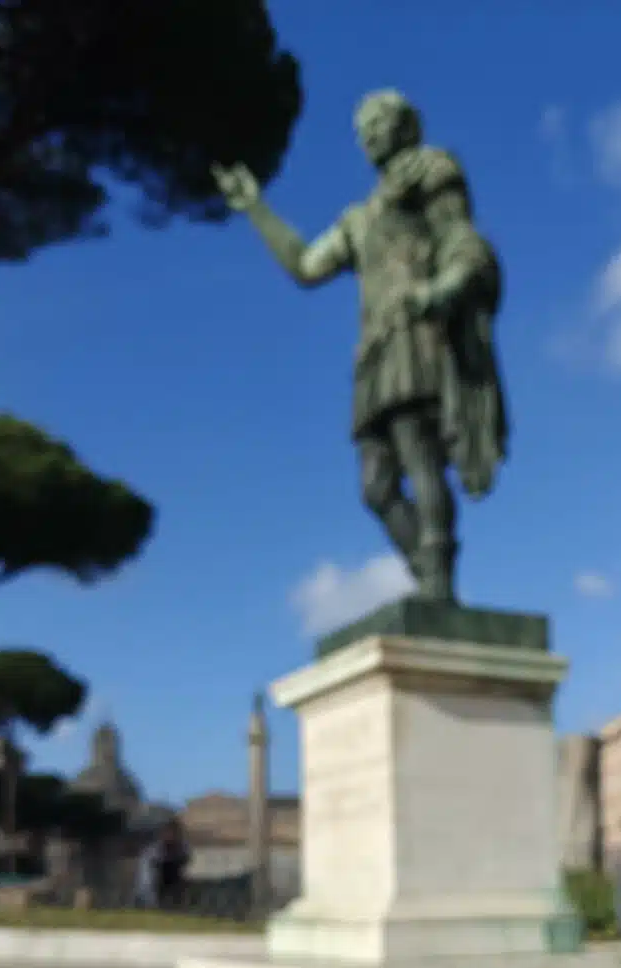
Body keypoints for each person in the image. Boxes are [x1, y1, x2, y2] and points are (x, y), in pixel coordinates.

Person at [212, 89, 508, 604]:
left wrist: (442, 289)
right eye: (361, 128)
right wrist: (255, 206)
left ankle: (438, 580)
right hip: (374, 351)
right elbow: (305, 266)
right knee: (375, 487)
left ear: (406, 126)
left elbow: (462, 239)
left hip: (416, 331)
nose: (368, 133)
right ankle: (426, 571)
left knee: (418, 454)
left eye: (378, 121)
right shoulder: (358, 218)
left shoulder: (429, 169)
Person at [155, 818, 190, 908]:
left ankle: (177, 906)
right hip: (164, 874)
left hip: (176, 874)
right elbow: (157, 858)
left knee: (177, 896)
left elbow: (186, 858)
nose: (169, 834)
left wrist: (176, 860)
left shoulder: (181, 844)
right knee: (163, 896)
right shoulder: (162, 844)